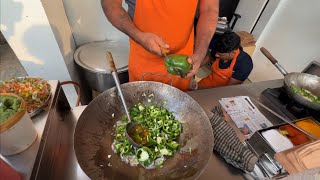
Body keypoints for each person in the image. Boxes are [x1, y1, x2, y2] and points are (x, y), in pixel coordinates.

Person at [101, 0, 218, 91]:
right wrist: (138, 36)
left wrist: (200, 52)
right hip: (143, 57)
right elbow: (110, 4)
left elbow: (209, 9)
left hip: (184, 60)